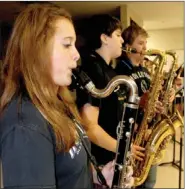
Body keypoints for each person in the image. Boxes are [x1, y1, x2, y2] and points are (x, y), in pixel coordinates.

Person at [0, 4, 134, 189]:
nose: (76, 54)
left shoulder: (59, 103)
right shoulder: (24, 125)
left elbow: (69, 169)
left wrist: (100, 175)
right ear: (36, 49)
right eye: (66, 44)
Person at [75, 14, 145, 171]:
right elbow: (90, 128)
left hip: (113, 157)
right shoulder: (93, 70)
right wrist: (123, 149)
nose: (122, 40)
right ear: (104, 38)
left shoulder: (110, 71)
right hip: (102, 162)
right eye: (118, 35)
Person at [115, 24, 175, 188]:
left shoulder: (146, 71)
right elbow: (117, 106)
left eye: (145, 44)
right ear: (129, 47)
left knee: (149, 181)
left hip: (149, 132)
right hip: (134, 135)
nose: (145, 48)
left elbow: (153, 100)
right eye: (141, 43)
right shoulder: (120, 72)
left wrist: (164, 101)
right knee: (136, 182)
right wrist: (142, 101)